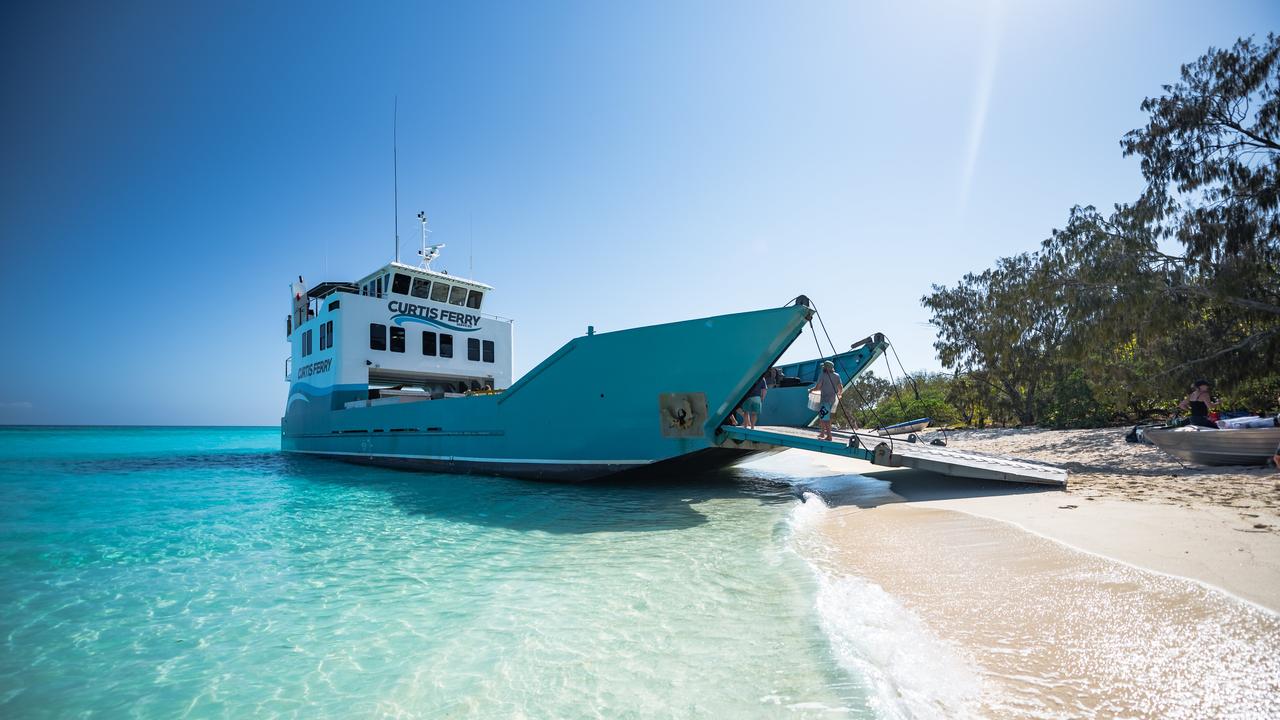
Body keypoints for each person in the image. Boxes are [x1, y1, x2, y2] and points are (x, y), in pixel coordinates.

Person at [811, 360, 843, 441]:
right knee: (822, 416)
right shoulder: (837, 375)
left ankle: (829, 436)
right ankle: (822, 433)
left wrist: (811, 390)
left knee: (825, 418)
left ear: (826, 368)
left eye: (824, 367)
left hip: (825, 399)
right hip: (832, 399)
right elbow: (840, 387)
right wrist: (839, 394)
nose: (823, 368)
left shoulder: (823, 375)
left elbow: (818, 387)